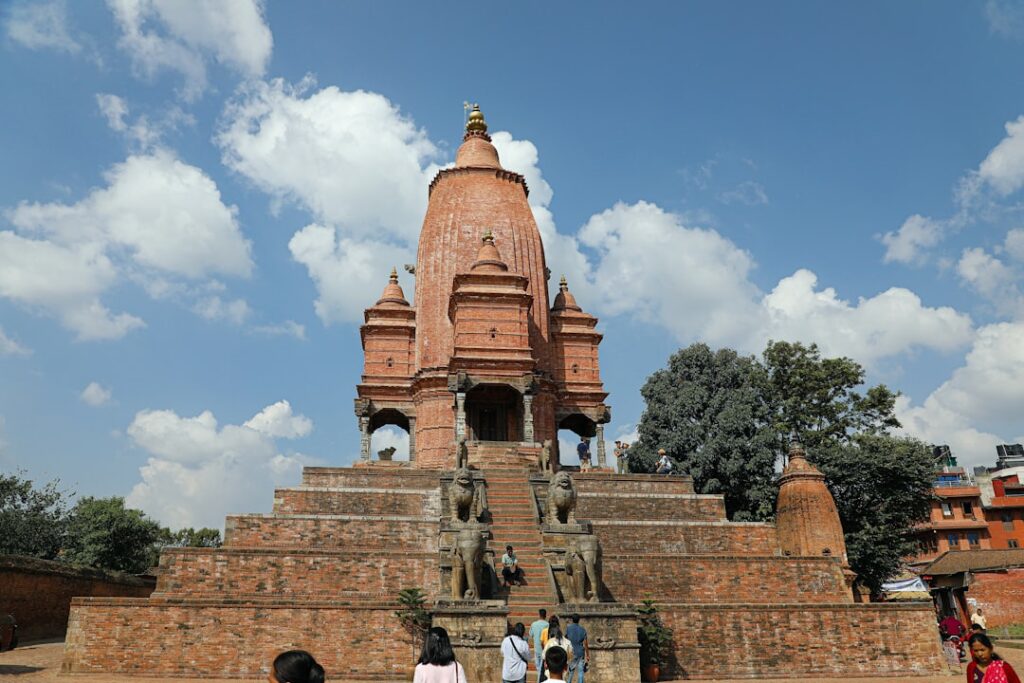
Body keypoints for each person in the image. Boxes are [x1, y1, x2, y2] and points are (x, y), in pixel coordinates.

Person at [565, 614, 589, 683]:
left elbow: (565, 639)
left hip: (571, 653)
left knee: (571, 672)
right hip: (580, 653)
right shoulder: (583, 630)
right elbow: (586, 644)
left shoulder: (568, 629)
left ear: (572, 620)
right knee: (581, 672)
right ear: (579, 620)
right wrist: (587, 655)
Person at [529, 609, 549, 681]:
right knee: (541, 669)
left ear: (539, 615)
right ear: (545, 615)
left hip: (537, 649)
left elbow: (531, 634)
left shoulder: (534, 624)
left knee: (538, 668)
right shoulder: (547, 625)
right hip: (544, 649)